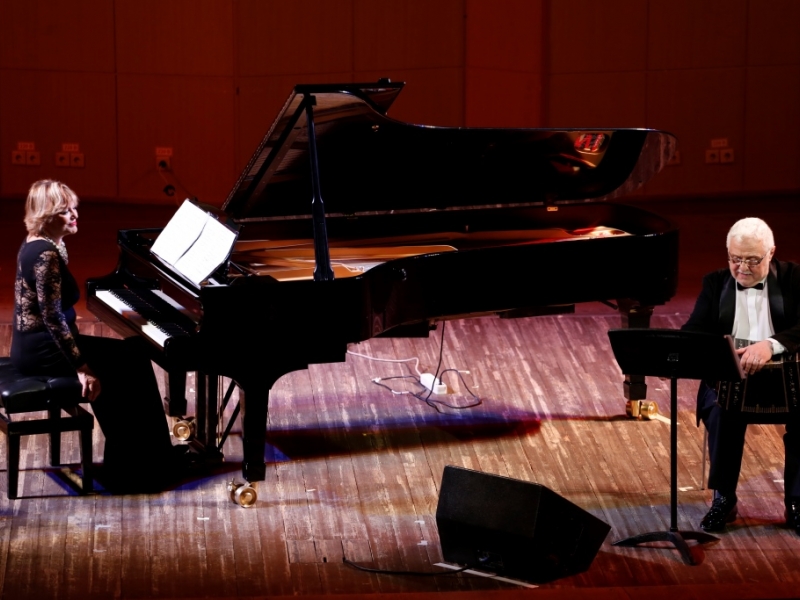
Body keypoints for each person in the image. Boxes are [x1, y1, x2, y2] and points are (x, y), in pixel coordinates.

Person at [11, 179, 182, 493]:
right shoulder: (46, 255)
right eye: (65, 211)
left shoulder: (40, 243)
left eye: (74, 207)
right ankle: (139, 469)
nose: (75, 215)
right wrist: (82, 367)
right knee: (129, 361)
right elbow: (52, 319)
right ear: (46, 215)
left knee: (132, 353)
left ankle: (143, 461)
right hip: (47, 350)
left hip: (37, 346)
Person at [682, 217, 800, 535]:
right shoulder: (715, 283)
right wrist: (719, 352)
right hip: (730, 378)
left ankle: (797, 503)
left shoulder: (793, 278)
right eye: (735, 258)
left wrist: (770, 346)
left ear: (771, 252)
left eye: (752, 260)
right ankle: (724, 499)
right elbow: (693, 331)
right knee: (721, 412)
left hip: (785, 376)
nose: (742, 268)